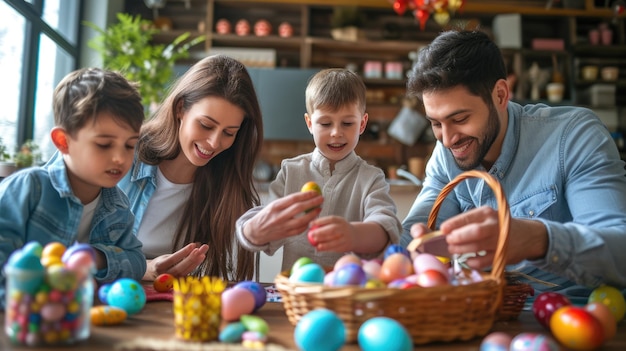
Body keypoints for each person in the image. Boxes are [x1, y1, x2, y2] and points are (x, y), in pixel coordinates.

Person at [400, 30, 626, 300]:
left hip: (578, 320)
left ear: (500, 95)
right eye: (436, 124)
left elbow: (619, 251)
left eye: (459, 119)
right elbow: (411, 236)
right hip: (481, 321)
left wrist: (536, 239)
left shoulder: (574, 135)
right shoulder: (445, 153)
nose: (447, 139)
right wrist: (370, 237)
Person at [0, 67, 147, 306]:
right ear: (63, 141)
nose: (120, 158)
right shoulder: (28, 189)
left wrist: (97, 257)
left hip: (72, 321)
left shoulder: (117, 206)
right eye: (104, 145)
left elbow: (137, 260)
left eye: (130, 145)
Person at [236, 68, 402, 272]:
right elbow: (263, 221)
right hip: (297, 293)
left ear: (362, 124)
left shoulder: (371, 178)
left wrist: (353, 235)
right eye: (325, 123)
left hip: (348, 294)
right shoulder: (291, 171)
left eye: (347, 123)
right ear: (309, 123)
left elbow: (387, 228)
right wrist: (253, 231)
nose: (336, 133)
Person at [118, 55, 263, 282]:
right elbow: (78, 249)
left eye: (229, 133)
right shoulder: (122, 152)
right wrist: (142, 269)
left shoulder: (224, 182)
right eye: (206, 125)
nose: (215, 143)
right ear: (180, 109)